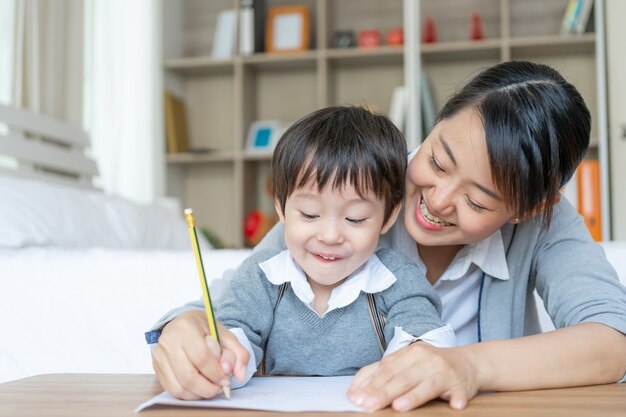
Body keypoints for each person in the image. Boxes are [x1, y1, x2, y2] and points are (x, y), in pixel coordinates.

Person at [255, 60, 626, 411]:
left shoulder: (544, 221)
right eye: (436, 161)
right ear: (437, 122)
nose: (438, 199)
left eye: (477, 201)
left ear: (528, 209)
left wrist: (469, 366)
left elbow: (612, 341)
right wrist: (198, 333)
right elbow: (238, 298)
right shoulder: (364, 184)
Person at [147, 106, 455, 399]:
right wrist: (222, 361)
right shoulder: (262, 275)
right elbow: (235, 329)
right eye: (309, 214)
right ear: (281, 208)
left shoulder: (398, 279)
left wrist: (417, 352)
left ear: (388, 217)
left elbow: (423, 334)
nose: (330, 236)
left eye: (355, 219)